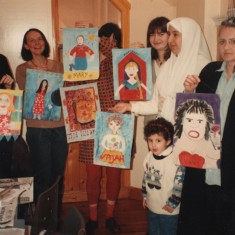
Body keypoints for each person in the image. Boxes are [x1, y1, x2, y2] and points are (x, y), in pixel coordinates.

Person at [178, 17, 235, 235]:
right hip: (204, 162)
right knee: (201, 221)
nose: (226, 47)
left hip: (231, 166)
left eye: (233, 41)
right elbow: (193, 114)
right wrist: (190, 93)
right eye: (222, 42)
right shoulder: (210, 71)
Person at [111, 17, 211, 124]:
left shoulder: (204, 67)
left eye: (175, 34)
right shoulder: (168, 65)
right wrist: (129, 106)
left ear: (189, 36)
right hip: (164, 132)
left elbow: (206, 107)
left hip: (189, 132)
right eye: (169, 34)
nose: (170, 39)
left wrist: (189, 92)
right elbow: (157, 104)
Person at [15, 28, 68, 220]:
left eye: (40, 39)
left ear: (44, 42)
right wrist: (38, 77)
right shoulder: (22, 69)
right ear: (26, 46)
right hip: (37, 130)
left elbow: (64, 95)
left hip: (60, 127)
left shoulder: (59, 66)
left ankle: (56, 217)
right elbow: (28, 97)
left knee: (58, 175)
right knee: (42, 175)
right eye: (32, 40)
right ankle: (42, 218)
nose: (37, 43)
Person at [77, 23, 122, 235]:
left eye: (112, 40)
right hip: (91, 124)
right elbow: (74, 87)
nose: (108, 43)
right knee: (93, 175)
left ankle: (110, 216)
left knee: (113, 175)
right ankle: (93, 218)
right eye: (103, 38)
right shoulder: (87, 62)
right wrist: (83, 35)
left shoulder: (120, 60)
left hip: (116, 124)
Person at [142, 117, 185, 235]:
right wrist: (145, 196)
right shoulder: (149, 156)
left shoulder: (175, 160)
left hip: (169, 210)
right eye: (150, 140)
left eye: (158, 140)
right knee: (153, 231)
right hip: (152, 206)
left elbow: (179, 185)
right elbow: (146, 177)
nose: (153, 145)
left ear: (168, 141)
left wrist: (172, 203)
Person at [132, 16, 171, 124]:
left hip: (170, 121)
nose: (156, 39)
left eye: (161, 34)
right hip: (151, 122)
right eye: (152, 35)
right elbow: (134, 90)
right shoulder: (146, 62)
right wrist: (134, 55)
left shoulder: (175, 62)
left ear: (170, 36)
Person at [0, 54, 15, 178]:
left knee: (4, 168)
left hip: (2, 122)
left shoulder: (1, 59)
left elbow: (9, 93)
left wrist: (8, 86)